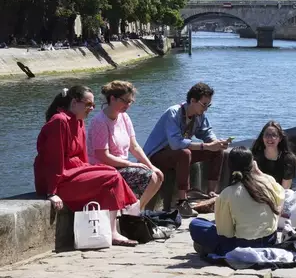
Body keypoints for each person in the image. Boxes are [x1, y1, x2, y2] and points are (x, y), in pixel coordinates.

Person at [34, 85, 139, 247]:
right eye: (88, 104)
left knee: (110, 172)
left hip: (73, 172)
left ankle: (112, 229)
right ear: (75, 102)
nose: (92, 109)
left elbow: (83, 158)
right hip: (58, 179)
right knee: (110, 175)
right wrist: (51, 192)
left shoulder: (78, 120)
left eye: (93, 105)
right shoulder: (59, 122)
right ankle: (113, 232)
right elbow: (53, 160)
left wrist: (90, 173)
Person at [143, 82, 230, 217]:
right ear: (192, 100)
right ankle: (182, 201)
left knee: (217, 151)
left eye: (208, 105)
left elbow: (207, 132)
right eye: (204, 104)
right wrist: (206, 146)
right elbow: (176, 144)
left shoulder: (199, 115)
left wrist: (216, 143)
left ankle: (211, 193)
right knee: (185, 153)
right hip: (156, 156)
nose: (206, 109)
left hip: (175, 154)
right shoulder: (174, 112)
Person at [189, 146, 284, 255]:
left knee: (196, 224)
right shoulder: (268, 182)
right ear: (252, 164)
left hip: (242, 245)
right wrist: (259, 172)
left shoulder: (227, 194)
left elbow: (226, 233)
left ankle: (212, 248)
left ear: (230, 166)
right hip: (269, 240)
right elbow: (281, 195)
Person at [87, 81, 163, 210]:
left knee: (158, 175)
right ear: (112, 99)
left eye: (130, 102)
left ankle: (136, 210)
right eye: (125, 101)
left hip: (120, 166)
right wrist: (132, 164)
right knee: (150, 177)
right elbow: (102, 155)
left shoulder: (124, 117)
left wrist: (151, 166)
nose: (128, 105)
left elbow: (134, 146)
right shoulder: (99, 121)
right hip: (104, 169)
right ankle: (135, 212)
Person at [251, 120, 296, 189]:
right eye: (267, 135)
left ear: (280, 138)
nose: (270, 138)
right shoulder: (254, 157)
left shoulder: (288, 159)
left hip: (280, 196)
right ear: (262, 137)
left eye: (274, 135)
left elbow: (285, 189)